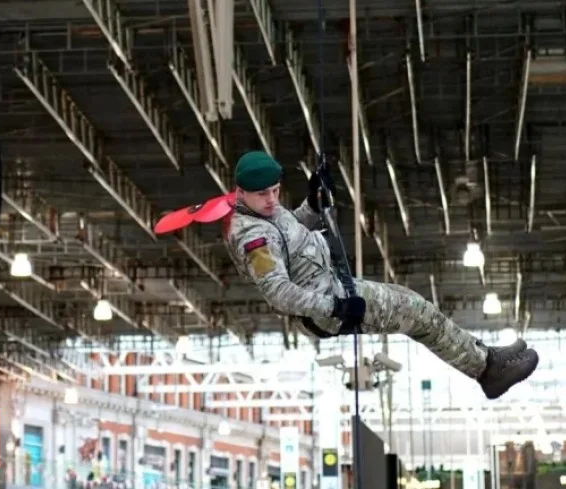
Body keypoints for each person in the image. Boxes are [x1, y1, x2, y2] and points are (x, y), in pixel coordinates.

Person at [224, 151, 539, 400]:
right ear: (241, 192)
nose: (272, 200)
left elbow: (290, 233)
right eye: (263, 194)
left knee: (413, 302)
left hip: (334, 290)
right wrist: (334, 307)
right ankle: (486, 370)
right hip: (326, 311)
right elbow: (279, 294)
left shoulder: (265, 210)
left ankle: (484, 356)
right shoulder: (253, 239)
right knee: (418, 314)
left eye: (276, 191)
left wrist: (313, 205)